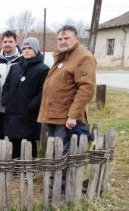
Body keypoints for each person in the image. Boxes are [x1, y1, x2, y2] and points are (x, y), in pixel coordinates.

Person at [38, 25, 96, 154]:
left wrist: (73, 116)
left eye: (66, 38)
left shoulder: (83, 57)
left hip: (66, 117)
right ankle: (52, 174)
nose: (62, 41)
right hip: (53, 114)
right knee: (53, 150)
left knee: (60, 152)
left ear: (77, 39)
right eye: (59, 39)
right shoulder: (64, 56)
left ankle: (59, 175)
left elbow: (86, 89)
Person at [2, 37, 49, 159]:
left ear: (36, 50)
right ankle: (17, 167)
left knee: (28, 141)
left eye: (29, 48)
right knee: (14, 140)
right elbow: (6, 86)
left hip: (29, 114)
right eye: (24, 48)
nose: (26, 51)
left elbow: (43, 91)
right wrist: (6, 101)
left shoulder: (42, 69)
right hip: (13, 112)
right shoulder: (15, 67)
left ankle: (29, 168)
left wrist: (31, 106)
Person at [0, 30, 22, 156]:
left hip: (16, 105)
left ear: (15, 42)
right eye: (5, 41)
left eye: (10, 41)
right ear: (1, 43)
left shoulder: (22, 60)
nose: (7, 44)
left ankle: (14, 159)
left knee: (15, 134)